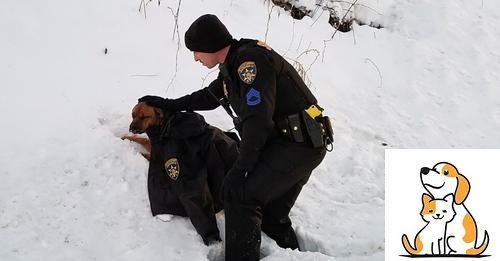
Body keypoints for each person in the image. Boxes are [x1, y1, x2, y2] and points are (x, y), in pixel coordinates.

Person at [140, 14, 330, 261]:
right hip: (299, 142)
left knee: (239, 195)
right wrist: (168, 104)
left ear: (209, 46)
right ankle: (290, 254)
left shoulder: (250, 64)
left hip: (298, 145)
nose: (196, 58)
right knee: (271, 215)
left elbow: (257, 123)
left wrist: (241, 170)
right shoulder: (235, 63)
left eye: (196, 51)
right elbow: (210, 96)